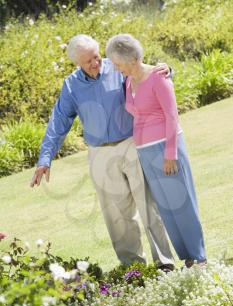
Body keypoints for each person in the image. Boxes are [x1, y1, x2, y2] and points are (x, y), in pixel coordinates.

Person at [30, 34, 175, 271]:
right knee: (117, 217)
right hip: (100, 154)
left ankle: (165, 263)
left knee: (149, 205)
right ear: (77, 63)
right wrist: (45, 158)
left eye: (96, 57)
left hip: (132, 143)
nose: (95, 63)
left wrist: (167, 69)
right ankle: (133, 270)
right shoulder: (71, 86)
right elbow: (58, 122)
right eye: (88, 61)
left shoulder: (118, 67)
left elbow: (147, 75)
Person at [106, 34, 207, 268]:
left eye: (117, 63)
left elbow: (172, 115)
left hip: (166, 147)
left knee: (182, 203)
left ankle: (200, 256)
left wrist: (170, 153)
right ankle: (188, 258)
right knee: (167, 207)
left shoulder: (159, 78)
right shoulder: (128, 80)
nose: (115, 67)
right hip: (145, 151)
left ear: (131, 59)